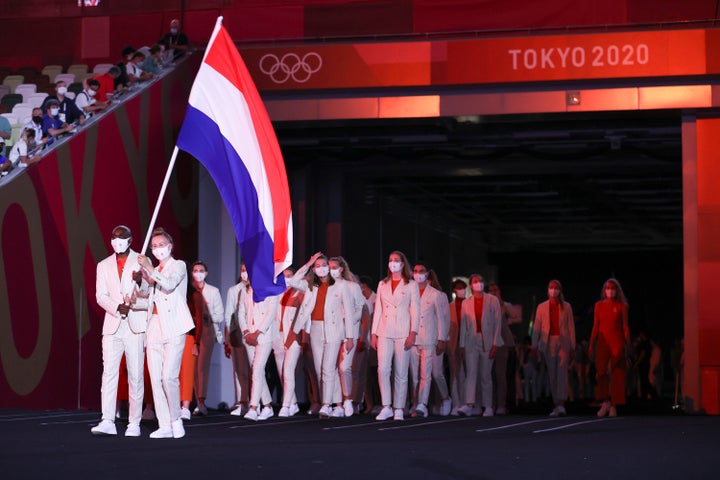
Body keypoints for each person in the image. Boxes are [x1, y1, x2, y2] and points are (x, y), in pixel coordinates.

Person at [137, 227, 195, 438]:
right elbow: (144, 295)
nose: (158, 249)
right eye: (155, 246)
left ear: (170, 247)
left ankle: (176, 418)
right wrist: (142, 278)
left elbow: (169, 285)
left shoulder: (177, 266)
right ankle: (164, 424)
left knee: (168, 376)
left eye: (162, 245)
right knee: (155, 377)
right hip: (153, 324)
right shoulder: (154, 270)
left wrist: (150, 270)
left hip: (174, 325)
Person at [91, 225, 149, 437]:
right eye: (114, 238)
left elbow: (149, 292)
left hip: (135, 325)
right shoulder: (103, 265)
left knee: (135, 374)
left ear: (130, 240)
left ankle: (134, 422)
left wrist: (141, 281)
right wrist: (117, 307)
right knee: (109, 373)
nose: (117, 241)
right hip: (113, 325)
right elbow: (100, 295)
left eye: (121, 237)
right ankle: (107, 419)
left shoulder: (142, 261)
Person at [287, 252, 355, 418]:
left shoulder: (341, 285)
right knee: (320, 370)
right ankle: (336, 404)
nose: (321, 269)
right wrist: (309, 262)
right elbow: (293, 281)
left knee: (328, 368)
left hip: (334, 329)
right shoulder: (311, 284)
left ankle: (327, 404)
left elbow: (350, 311)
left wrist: (350, 336)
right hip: (316, 329)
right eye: (317, 266)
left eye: (324, 265)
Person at [371, 250, 420, 421]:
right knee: (383, 369)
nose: (393, 263)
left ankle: (399, 407)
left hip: (403, 332)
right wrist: (373, 333)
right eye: (391, 260)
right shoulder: (382, 284)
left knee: (401, 371)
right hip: (384, 331)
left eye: (397, 260)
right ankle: (386, 406)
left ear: (403, 263)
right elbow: (378, 309)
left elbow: (415, 310)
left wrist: (413, 333)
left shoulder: (411, 284)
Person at [409, 263, 451, 417]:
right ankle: (416, 403)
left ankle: (432, 401)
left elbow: (442, 319)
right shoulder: (409, 292)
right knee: (414, 374)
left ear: (427, 274)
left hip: (430, 339)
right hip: (413, 339)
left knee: (434, 373)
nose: (418, 274)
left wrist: (442, 339)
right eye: (415, 271)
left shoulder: (436, 294)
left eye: (421, 271)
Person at [457, 274, 502, 417]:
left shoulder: (492, 300)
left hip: (487, 340)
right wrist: (462, 345)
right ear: (471, 285)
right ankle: (469, 404)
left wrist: (495, 343)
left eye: (481, 281)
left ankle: (487, 406)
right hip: (471, 341)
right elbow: (463, 326)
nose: (479, 284)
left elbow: (497, 323)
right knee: (470, 373)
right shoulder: (466, 303)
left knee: (485, 374)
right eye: (476, 282)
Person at [531, 280, 575, 417]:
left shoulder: (566, 306)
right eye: (551, 287)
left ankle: (561, 404)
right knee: (552, 374)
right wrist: (534, 346)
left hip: (563, 342)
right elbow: (537, 328)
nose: (553, 290)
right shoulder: (541, 307)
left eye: (556, 288)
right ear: (548, 289)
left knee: (562, 373)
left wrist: (573, 346)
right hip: (548, 342)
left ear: (560, 290)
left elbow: (571, 327)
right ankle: (556, 404)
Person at [241, 281, 281, 421]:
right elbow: (241, 312)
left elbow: (270, 314)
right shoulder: (245, 291)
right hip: (249, 335)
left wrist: (257, 333)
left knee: (257, 369)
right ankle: (268, 406)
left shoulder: (272, 290)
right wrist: (246, 332)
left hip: (264, 335)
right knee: (256, 371)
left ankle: (253, 407)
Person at [589, 278, 630, 418]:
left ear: (617, 290)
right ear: (604, 290)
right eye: (608, 288)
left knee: (616, 373)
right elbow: (595, 326)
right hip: (602, 342)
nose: (610, 290)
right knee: (601, 373)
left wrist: (627, 345)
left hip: (617, 341)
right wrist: (591, 344)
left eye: (613, 288)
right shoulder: (598, 306)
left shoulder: (622, 306)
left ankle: (614, 404)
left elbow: (625, 327)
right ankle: (605, 401)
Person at [329, 256, 364, 417]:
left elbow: (360, 308)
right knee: (332, 368)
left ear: (341, 268)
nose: (331, 270)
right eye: (329, 267)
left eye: (334, 267)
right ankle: (337, 404)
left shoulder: (352, 286)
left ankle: (348, 399)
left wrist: (348, 320)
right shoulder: (324, 286)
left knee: (345, 367)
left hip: (349, 332)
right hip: (331, 331)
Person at [191, 261, 224, 416]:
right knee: (191, 368)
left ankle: (201, 401)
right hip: (190, 332)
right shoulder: (189, 290)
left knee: (202, 368)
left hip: (207, 332)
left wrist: (207, 316)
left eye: (201, 270)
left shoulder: (213, 291)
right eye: (196, 270)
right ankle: (190, 401)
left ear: (206, 273)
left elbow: (220, 315)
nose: (198, 273)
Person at [224, 265, 251, 417]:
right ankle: (243, 402)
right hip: (238, 333)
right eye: (242, 270)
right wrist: (229, 337)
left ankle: (255, 403)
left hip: (254, 334)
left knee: (255, 369)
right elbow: (229, 314)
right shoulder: (234, 290)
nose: (244, 273)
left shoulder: (257, 289)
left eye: (247, 270)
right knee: (240, 370)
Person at [277, 267, 304, 417]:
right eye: (284, 276)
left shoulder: (300, 293)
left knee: (288, 371)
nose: (286, 278)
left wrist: (294, 336)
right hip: (278, 337)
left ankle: (285, 405)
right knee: (283, 373)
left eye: (289, 276)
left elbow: (301, 318)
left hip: (293, 338)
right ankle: (293, 403)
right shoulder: (278, 294)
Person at [179, 283, 203, 420]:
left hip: (189, 337)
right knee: (173, 373)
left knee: (187, 373)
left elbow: (199, 319)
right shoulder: (173, 292)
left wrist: (196, 342)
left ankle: (186, 407)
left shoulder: (194, 295)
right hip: (174, 336)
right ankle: (175, 406)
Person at [357, 276, 376, 414]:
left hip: (373, 340)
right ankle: (367, 403)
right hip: (363, 339)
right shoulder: (361, 299)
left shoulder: (375, 299)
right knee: (365, 375)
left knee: (375, 374)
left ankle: (378, 403)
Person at [448, 278, 467, 415]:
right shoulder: (449, 307)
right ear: (454, 290)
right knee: (455, 374)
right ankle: (456, 403)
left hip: (468, 343)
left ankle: (468, 403)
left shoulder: (469, 304)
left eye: (463, 287)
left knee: (468, 374)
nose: (462, 290)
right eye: (459, 288)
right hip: (453, 344)